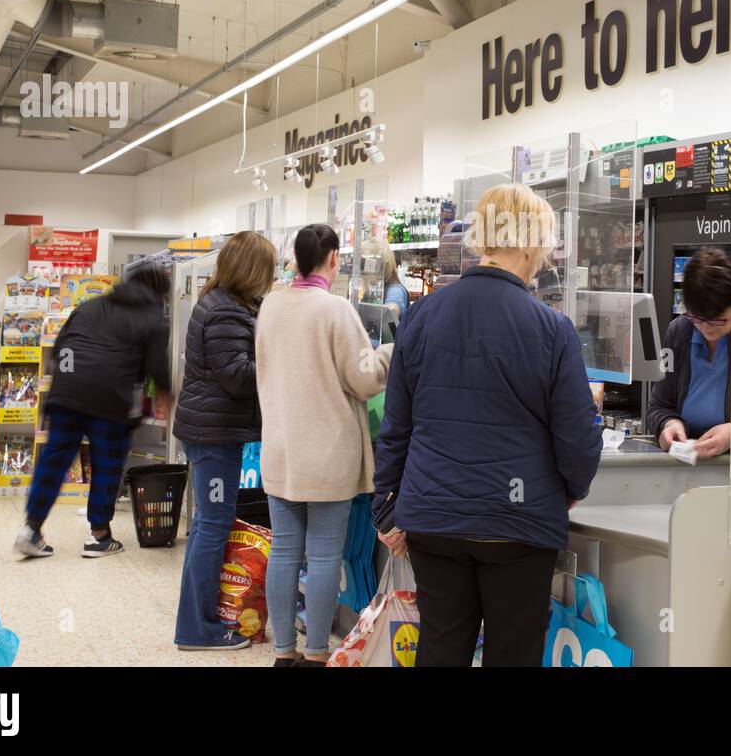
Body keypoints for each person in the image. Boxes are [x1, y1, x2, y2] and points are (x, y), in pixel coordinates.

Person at [373, 183, 602, 667]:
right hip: (519, 523)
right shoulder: (552, 328)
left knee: (441, 647)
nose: (546, 252)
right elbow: (578, 437)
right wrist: (570, 488)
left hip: (434, 517)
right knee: (514, 653)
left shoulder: (424, 314)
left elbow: (397, 424)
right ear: (525, 242)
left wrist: (385, 505)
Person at [255, 224, 392, 666]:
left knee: (284, 551)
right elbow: (365, 379)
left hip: (280, 447)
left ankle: (283, 652)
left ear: (296, 258)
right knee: (325, 554)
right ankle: (315, 654)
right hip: (328, 454)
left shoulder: (271, 307)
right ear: (333, 258)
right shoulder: (335, 310)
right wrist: (389, 353)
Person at [14, 263, 171, 558]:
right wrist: (167, 398)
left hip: (67, 392)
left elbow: (62, 346)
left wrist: (70, 382)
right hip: (110, 397)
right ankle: (99, 536)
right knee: (107, 464)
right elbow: (157, 369)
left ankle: (31, 530)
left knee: (54, 460)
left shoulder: (90, 306)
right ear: (159, 293)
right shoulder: (152, 317)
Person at [173, 230, 278, 652]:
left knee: (208, 526)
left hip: (210, 429)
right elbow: (236, 377)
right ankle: (197, 628)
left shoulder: (224, 304)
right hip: (214, 433)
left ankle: (198, 621)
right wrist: (277, 359)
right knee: (213, 527)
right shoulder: (226, 312)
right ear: (253, 270)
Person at [646, 246, 731, 459]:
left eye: (717, 319)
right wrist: (668, 424)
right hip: (694, 471)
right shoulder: (680, 331)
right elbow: (659, 405)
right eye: (697, 318)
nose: (706, 328)